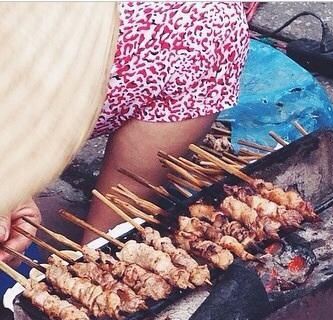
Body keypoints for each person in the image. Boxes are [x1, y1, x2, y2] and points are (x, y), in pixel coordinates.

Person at [0, 1, 250, 264]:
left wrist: (13, 192)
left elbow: (115, 212)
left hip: (192, 39)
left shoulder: (204, 28)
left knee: (100, 256)